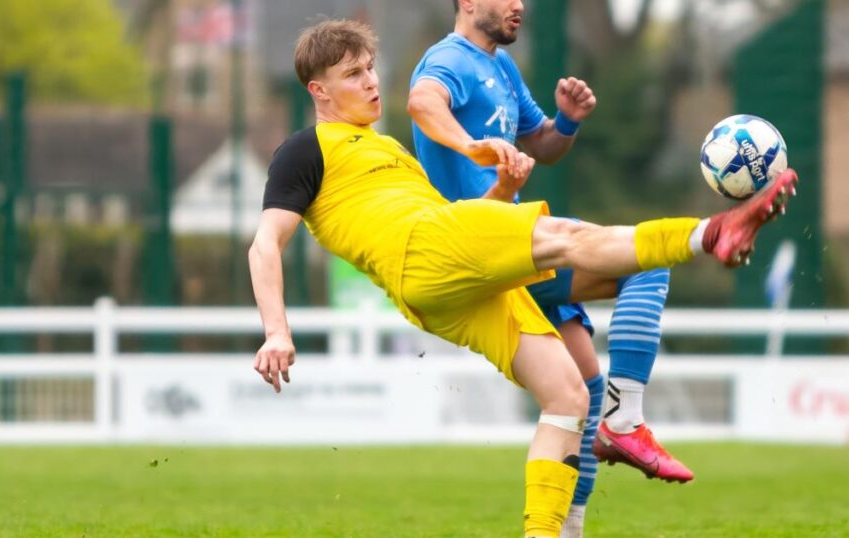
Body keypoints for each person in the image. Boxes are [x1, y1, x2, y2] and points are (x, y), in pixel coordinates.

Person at [249, 19, 797, 538]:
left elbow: (475, 230)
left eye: (370, 68)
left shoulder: (388, 148)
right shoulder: (304, 150)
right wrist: (277, 330)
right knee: (571, 236)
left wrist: (504, 191)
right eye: (353, 75)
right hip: (419, 249)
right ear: (319, 92)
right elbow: (265, 244)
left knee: (567, 397)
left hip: (443, 281)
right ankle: (712, 233)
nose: (371, 82)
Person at [407, 2, 690, 533]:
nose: (520, 5)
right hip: (483, 244)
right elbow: (422, 102)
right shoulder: (448, 59)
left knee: (580, 396)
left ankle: (569, 525)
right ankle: (625, 419)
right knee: (648, 260)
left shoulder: (503, 68)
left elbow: (543, 147)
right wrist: (472, 146)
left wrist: (566, 122)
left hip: (512, 245)